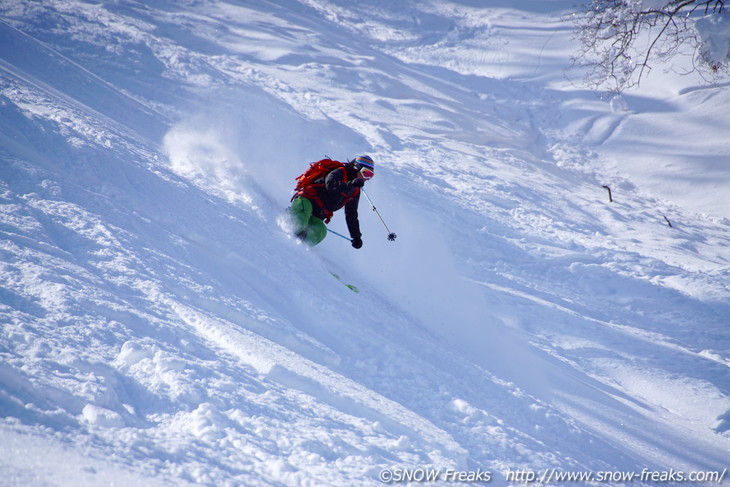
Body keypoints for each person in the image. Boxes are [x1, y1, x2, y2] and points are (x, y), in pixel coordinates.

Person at [289, 155, 375, 248]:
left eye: (370, 176)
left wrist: (356, 237)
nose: (366, 179)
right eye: (365, 173)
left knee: (321, 231)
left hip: (318, 214)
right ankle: (289, 226)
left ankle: (299, 246)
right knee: (299, 224)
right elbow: (330, 185)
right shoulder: (341, 171)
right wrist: (350, 185)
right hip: (306, 201)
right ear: (356, 168)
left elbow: (351, 214)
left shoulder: (355, 191)